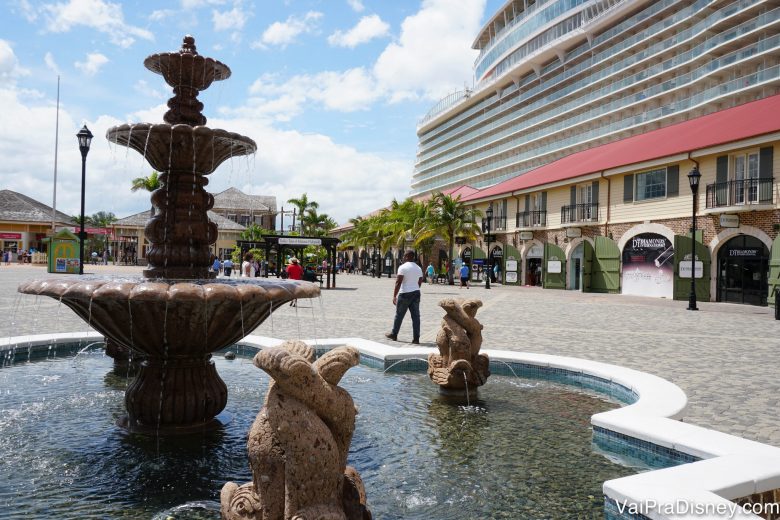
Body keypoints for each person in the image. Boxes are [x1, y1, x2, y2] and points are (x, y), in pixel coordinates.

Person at [385, 251, 423, 344]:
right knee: (416, 317)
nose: (403, 257)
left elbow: (398, 282)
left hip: (405, 293)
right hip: (416, 293)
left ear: (406, 256)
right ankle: (416, 338)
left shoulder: (402, 267)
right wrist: (415, 288)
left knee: (399, 315)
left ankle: (394, 334)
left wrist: (394, 295)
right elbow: (420, 281)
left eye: (404, 255)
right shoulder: (418, 268)